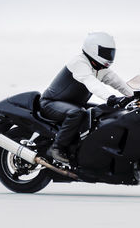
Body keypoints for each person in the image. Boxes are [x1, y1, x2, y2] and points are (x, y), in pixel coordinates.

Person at [40, 32, 134, 163]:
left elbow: (116, 81)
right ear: (93, 49)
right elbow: (91, 83)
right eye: (106, 52)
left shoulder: (98, 67)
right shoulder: (79, 62)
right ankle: (57, 148)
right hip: (51, 103)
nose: (109, 56)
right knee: (77, 113)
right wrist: (110, 97)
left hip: (74, 104)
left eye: (111, 52)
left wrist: (133, 95)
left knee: (104, 112)